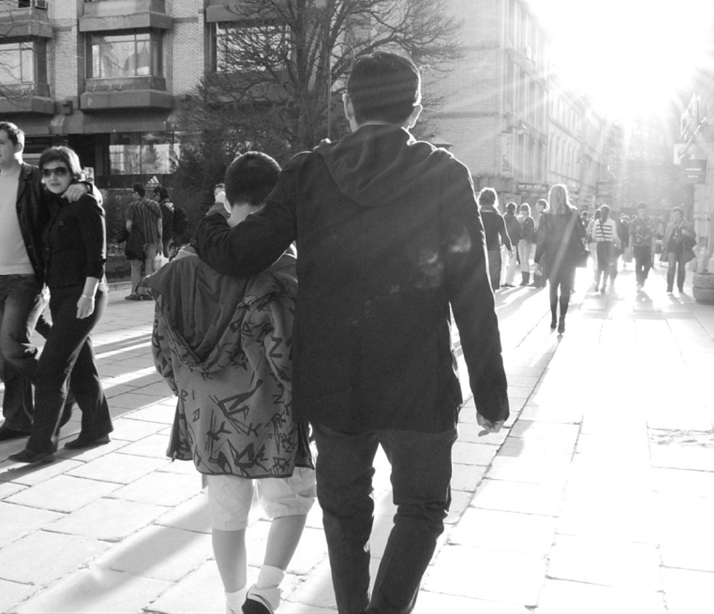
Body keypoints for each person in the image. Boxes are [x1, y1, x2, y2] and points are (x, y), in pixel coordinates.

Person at [193, 51, 509, 614]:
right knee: (422, 506)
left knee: (344, 509)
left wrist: (213, 217)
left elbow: (243, 253)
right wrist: (491, 393)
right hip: (419, 377)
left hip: (333, 379)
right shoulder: (444, 173)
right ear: (415, 109)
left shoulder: (309, 171)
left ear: (347, 105)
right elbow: (472, 290)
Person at [150, 152, 315, 614]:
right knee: (293, 497)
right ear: (272, 204)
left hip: (209, 415)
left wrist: (193, 393)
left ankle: (232, 601)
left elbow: (163, 349)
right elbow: (286, 351)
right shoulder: (281, 269)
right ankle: (267, 588)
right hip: (269, 411)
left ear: (231, 194)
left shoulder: (182, 267)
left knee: (226, 511)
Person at [0, 121, 92, 442]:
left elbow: (70, 190)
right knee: (2, 359)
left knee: (13, 349)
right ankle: (18, 420)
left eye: (0, 142)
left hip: (26, 278)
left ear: (17, 146)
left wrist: (87, 187)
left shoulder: (35, 180)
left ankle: (59, 390)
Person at [9, 146, 112, 463]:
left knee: (51, 370)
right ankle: (97, 428)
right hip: (62, 295)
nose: (53, 177)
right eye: (48, 171)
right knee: (81, 366)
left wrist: (87, 295)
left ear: (73, 173)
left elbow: (98, 255)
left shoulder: (85, 203)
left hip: (84, 294)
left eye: (61, 171)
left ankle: (41, 445)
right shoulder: (55, 204)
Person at [534, 184, 587, 334]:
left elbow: (541, 239)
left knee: (553, 287)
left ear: (550, 197)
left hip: (551, 256)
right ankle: (563, 318)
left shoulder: (546, 214)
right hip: (569, 255)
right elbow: (582, 233)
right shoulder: (573, 212)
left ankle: (553, 318)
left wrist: (537, 260)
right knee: (566, 288)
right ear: (565, 196)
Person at [125, 183, 162, 301]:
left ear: (136, 193)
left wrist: (133, 234)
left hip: (138, 242)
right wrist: (160, 239)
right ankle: (147, 292)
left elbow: (128, 225)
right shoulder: (155, 205)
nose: (132, 195)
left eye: (132, 193)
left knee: (136, 266)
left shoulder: (132, 206)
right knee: (149, 265)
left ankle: (135, 292)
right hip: (152, 239)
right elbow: (160, 224)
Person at [478, 188, 512, 292]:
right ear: (494, 200)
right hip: (494, 251)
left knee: (478, 282)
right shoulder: (498, 217)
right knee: (492, 283)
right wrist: (510, 249)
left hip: (478, 251)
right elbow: (504, 235)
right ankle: (490, 305)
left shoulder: (476, 215)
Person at [661, 206, 696, 294]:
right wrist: (663, 246)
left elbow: (693, 236)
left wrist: (687, 233)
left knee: (681, 268)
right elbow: (666, 237)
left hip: (683, 249)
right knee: (671, 266)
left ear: (681, 216)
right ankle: (669, 287)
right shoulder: (670, 225)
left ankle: (680, 286)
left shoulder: (688, 225)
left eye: (677, 215)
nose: (675, 217)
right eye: (674, 215)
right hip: (671, 249)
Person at [588, 204, 621, 295]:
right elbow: (614, 236)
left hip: (600, 245)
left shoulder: (597, 222)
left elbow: (593, 236)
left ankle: (597, 282)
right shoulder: (612, 222)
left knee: (599, 264)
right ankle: (604, 284)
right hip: (609, 246)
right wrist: (619, 242)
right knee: (607, 266)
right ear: (609, 213)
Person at [629, 202, 656, 290]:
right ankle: (639, 282)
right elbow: (631, 235)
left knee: (648, 265)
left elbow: (653, 235)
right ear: (638, 211)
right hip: (637, 246)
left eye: (644, 211)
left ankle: (643, 278)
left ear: (646, 211)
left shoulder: (651, 221)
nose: (643, 213)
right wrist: (629, 247)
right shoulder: (634, 221)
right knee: (638, 265)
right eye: (641, 211)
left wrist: (654, 246)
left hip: (647, 246)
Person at [502, 202, 521, 287]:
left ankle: (501, 281)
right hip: (512, 242)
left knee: (503, 262)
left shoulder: (503, 217)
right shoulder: (513, 218)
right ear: (513, 209)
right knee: (512, 263)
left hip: (503, 242)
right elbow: (517, 229)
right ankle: (509, 281)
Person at [530, 198, 548, 287]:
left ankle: (540, 281)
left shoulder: (544, 215)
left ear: (542, 205)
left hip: (542, 242)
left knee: (540, 261)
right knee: (540, 261)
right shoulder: (541, 215)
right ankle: (539, 280)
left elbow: (542, 230)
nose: (535, 207)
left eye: (537, 205)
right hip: (541, 241)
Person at [516, 203, 534, 286]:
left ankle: (527, 279)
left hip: (527, 242)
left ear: (528, 211)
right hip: (520, 241)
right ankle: (523, 278)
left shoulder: (530, 220)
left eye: (525, 210)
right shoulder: (519, 219)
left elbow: (531, 231)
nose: (523, 212)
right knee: (521, 260)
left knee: (525, 260)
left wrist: (526, 240)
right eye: (522, 210)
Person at [153, 186, 175, 258]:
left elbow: (161, 222)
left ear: (158, 194)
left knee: (164, 252)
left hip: (165, 233)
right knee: (166, 250)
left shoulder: (164, 207)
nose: (153, 198)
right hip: (170, 232)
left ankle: (166, 267)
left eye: (154, 195)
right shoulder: (170, 204)